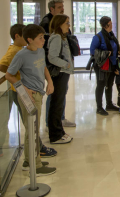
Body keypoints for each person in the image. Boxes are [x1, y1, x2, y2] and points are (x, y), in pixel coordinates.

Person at [0, 24, 57, 159]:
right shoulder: (20, 54)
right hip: (28, 94)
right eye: (40, 38)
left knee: (34, 127)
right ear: (30, 39)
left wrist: (50, 82)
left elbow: (43, 66)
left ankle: (33, 160)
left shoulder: (40, 51)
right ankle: (32, 163)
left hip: (38, 93)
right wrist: (23, 87)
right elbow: (8, 74)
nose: (44, 40)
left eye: (43, 37)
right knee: (31, 128)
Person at [40, 0, 75, 128]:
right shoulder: (47, 24)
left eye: (63, 7)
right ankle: (52, 123)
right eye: (59, 7)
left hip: (62, 66)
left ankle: (59, 119)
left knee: (61, 93)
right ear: (52, 9)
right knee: (55, 95)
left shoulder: (60, 24)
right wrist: (65, 64)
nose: (62, 9)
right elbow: (50, 53)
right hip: (56, 68)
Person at [47, 14, 74, 144]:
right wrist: (66, 64)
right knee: (56, 104)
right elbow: (52, 57)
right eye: (67, 23)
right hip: (60, 74)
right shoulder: (57, 37)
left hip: (63, 73)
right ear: (59, 24)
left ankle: (60, 131)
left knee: (58, 104)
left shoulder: (61, 37)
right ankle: (55, 135)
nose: (69, 25)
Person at [90, 16, 120, 116]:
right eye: (110, 24)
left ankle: (109, 104)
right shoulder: (98, 37)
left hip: (112, 64)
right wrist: (106, 53)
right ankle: (99, 107)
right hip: (102, 66)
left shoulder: (111, 35)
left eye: (111, 23)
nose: (111, 25)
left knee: (110, 85)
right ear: (104, 25)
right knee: (101, 85)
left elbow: (116, 48)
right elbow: (92, 51)